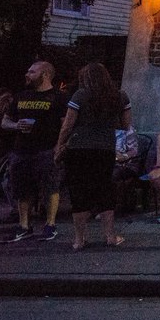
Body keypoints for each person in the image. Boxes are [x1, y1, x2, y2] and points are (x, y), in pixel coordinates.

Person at [53, 63, 131, 250]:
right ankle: (110, 236)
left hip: (79, 147)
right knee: (105, 189)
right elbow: (126, 125)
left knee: (79, 191)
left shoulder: (80, 95)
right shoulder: (120, 96)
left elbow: (67, 125)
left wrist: (59, 146)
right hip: (105, 147)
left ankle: (79, 239)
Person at [1, 61, 67, 243]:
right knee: (22, 188)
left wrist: (59, 147)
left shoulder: (58, 98)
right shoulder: (21, 96)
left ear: (45, 74)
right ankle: (24, 226)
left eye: (32, 71)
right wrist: (16, 125)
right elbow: (5, 121)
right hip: (22, 150)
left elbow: (65, 125)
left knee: (50, 186)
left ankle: (50, 224)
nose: (27, 74)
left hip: (46, 149)